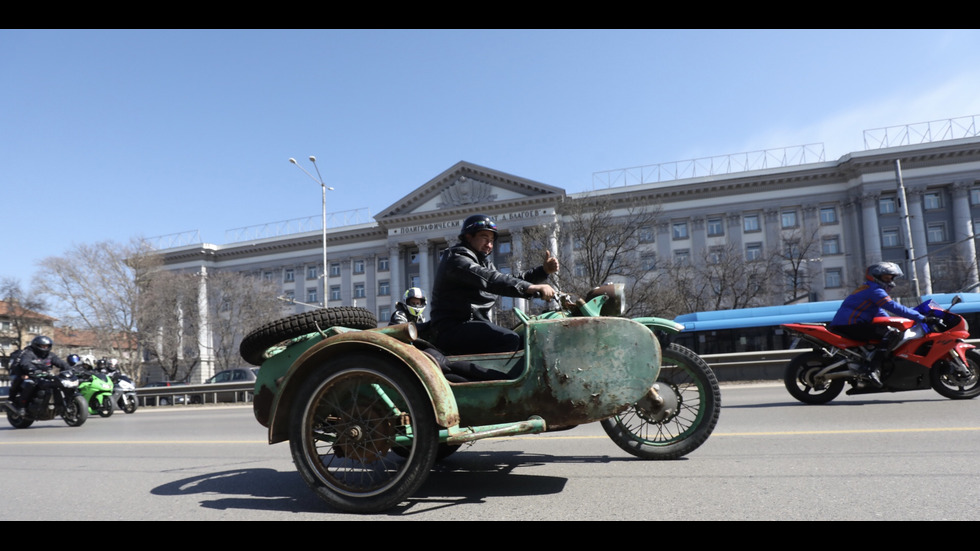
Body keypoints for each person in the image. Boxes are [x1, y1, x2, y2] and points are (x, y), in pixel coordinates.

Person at [429, 213, 558, 356]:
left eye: (492, 240)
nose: (489, 244)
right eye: (484, 237)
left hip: (473, 324)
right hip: (453, 327)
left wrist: (542, 271)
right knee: (509, 340)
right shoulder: (457, 259)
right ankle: (497, 377)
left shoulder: (482, 261)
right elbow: (491, 279)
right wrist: (530, 288)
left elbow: (508, 279)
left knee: (525, 338)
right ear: (468, 236)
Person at [829, 262, 936, 388]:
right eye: (886, 278)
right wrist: (922, 318)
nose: (890, 281)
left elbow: (879, 311)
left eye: (891, 278)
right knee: (891, 334)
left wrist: (894, 322)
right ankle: (872, 369)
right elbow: (894, 307)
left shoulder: (868, 288)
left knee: (888, 331)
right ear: (876, 277)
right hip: (850, 325)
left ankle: (870, 363)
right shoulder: (875, 290)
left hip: (847, 324)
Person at [9, 335, 70, 415]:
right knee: (31, 383)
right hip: (27, 373)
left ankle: (59, 404)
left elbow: (60, 362)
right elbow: (25, 363)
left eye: (47, 346)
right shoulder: (28, 353)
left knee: (58, 382)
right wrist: (32, 370)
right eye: (43, 346)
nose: (45, 348)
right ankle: (21, 406)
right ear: (36, 345)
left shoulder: (50, 355)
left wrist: (69, 368)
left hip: (44, 374)